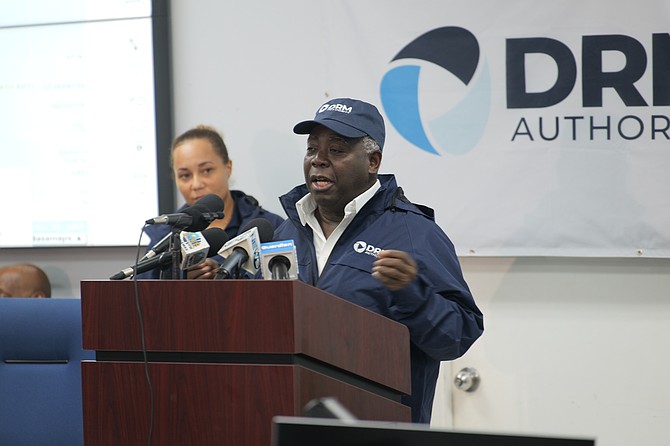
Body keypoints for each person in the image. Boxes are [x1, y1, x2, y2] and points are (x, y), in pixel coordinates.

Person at [272, 97, 484, 423]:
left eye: (337, 150)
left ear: (373, 161)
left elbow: (456, 337)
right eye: (312, 149)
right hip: (294, 420)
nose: (319, 160)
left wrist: (415, 293)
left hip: (380, 428)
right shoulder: (287, 229)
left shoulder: (415, 233)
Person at [140, 125, 285, 279]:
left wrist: (226, 277)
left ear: (228, 168)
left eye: (206, 170)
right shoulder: (165, 237)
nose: (196, 184)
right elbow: (146, 297)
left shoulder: (269, 227)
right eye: (185, 175)